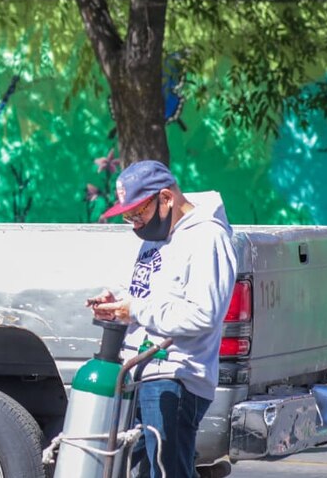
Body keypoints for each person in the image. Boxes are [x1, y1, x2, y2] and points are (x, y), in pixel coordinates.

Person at [86, 160, 236, 478]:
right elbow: (150, 292)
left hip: (176, 377)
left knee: (168, 472)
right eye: (128, 216)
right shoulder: (159, 235)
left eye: (138, 213)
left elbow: (203, 314)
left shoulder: (207, 238)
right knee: (131, 468)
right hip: (142, 373)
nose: (134, 223)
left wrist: (136, 310)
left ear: (166, 198)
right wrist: (119, 303)